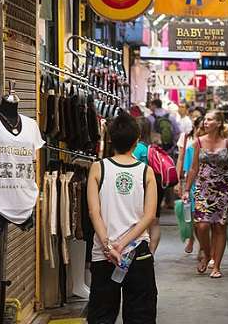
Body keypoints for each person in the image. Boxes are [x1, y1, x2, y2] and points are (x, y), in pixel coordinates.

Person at [86, 112, 158, 324]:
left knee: (101, 314)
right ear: (137, 141)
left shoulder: (98, 168)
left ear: (110, 139)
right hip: (137, 253)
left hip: (103, 255)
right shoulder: (146, 172)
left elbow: (94, 212)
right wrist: (122, 245)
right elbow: (149, 216)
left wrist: (109, 246)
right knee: (141, 314)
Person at [184, 111, 228, 279]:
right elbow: (194, 168)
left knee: (219, 227)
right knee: (202, 226)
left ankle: (216, 265)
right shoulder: (198, 142)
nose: (205, 122)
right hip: (203, 189)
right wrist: (186, 189)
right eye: (205, 119)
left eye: (209, 119)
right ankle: (205, 251)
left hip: (223, 190)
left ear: (218, 123)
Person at [133, 116, 163, 253]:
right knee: (155, 221)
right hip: (156, 183)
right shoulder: (152, 146)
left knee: (142, 220)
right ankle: (151, 253)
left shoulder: (137, 147)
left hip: (142, 186)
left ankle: (143, 252)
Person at [175, 116, 204, 254]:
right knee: (192, 215)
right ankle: (193, 239)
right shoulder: (187, 140)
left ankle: (203, 247)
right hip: (192, 184)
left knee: (203, 220)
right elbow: (182, 161)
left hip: (207, 185)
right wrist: (178, 181)